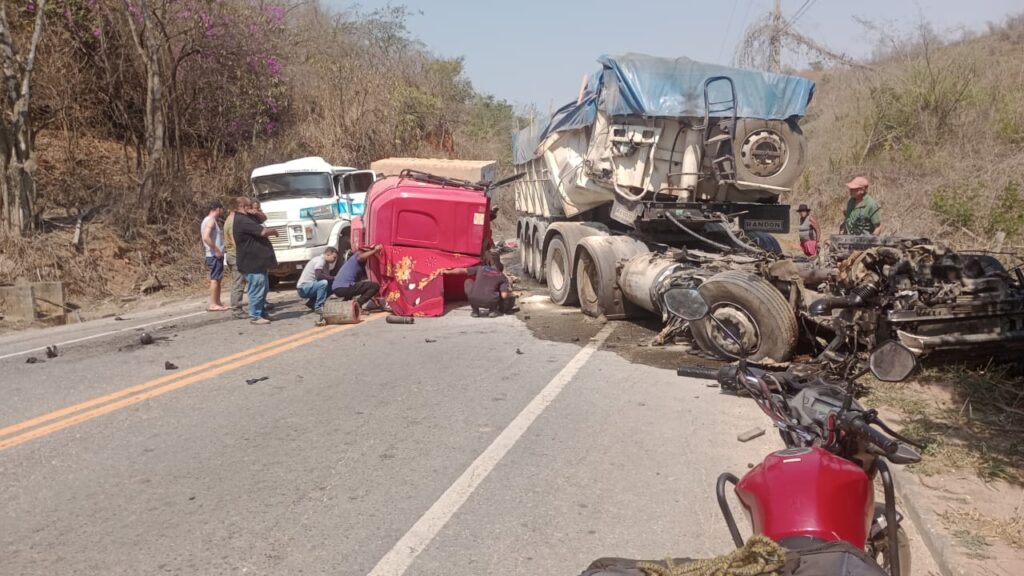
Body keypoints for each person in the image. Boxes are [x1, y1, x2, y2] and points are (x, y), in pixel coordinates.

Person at [233, 201, 279, 324]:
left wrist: (257, 212)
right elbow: (263, 231)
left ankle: (262, 312)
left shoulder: (249, 217)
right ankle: (255, 316)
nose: (252, 209)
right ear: (243, 206)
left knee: (263, 289)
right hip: (251, 262)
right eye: (249, 206)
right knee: (256, 289)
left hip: (259, 262)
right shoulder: (242, 220)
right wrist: (274, 231)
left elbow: (264, 218)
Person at [443, 252, 513, 318]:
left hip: (474, 300)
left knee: (468, 281)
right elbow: (504, 295)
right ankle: (492, 311)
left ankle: (475, 311)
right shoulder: (501, 276)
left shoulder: (480, 268)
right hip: (491, 301)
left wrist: (447, 272)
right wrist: (510, 293)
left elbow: (461, 270)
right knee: (500, 290)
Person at [332, 243, 384, 311]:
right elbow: (361, 257)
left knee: (362, 286)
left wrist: (373, 299)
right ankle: (357, 305)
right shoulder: (357, 255)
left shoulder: (353, 263)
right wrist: (374, 251)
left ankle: (347, 307)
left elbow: (363, 289)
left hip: (338, 288)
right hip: (344, 287)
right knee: (375, 286)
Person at [223, 196, 250, 318]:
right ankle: (236, 310)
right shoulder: (233, 221)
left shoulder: (231, 219)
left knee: (241, 282)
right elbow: (235, 241)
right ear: (240, 207)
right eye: (246, 207)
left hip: (234, 255)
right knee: (238, 284)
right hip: (235, 255)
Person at [201, 200, 228, 312]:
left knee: (218, 278)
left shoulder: (208, 220)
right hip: (213, 254)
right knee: (215, 279)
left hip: (215, 254)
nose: (222, 212)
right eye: (221, 209)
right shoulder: (210, 220)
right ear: (217, 209)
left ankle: (217, 302)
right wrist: (216, 250)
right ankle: (213, 304)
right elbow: (206, 237)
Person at [296, 247, 339, 314]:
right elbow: (318, 276)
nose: (335, 260)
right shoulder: (320, 260)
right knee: (323, 283)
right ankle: (318, 307)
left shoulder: (326, 264)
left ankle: (312, 303)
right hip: (303, 288)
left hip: (310, 286)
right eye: (334, 257)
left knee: (332, 284)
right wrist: (333, 277)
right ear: (328, 254)